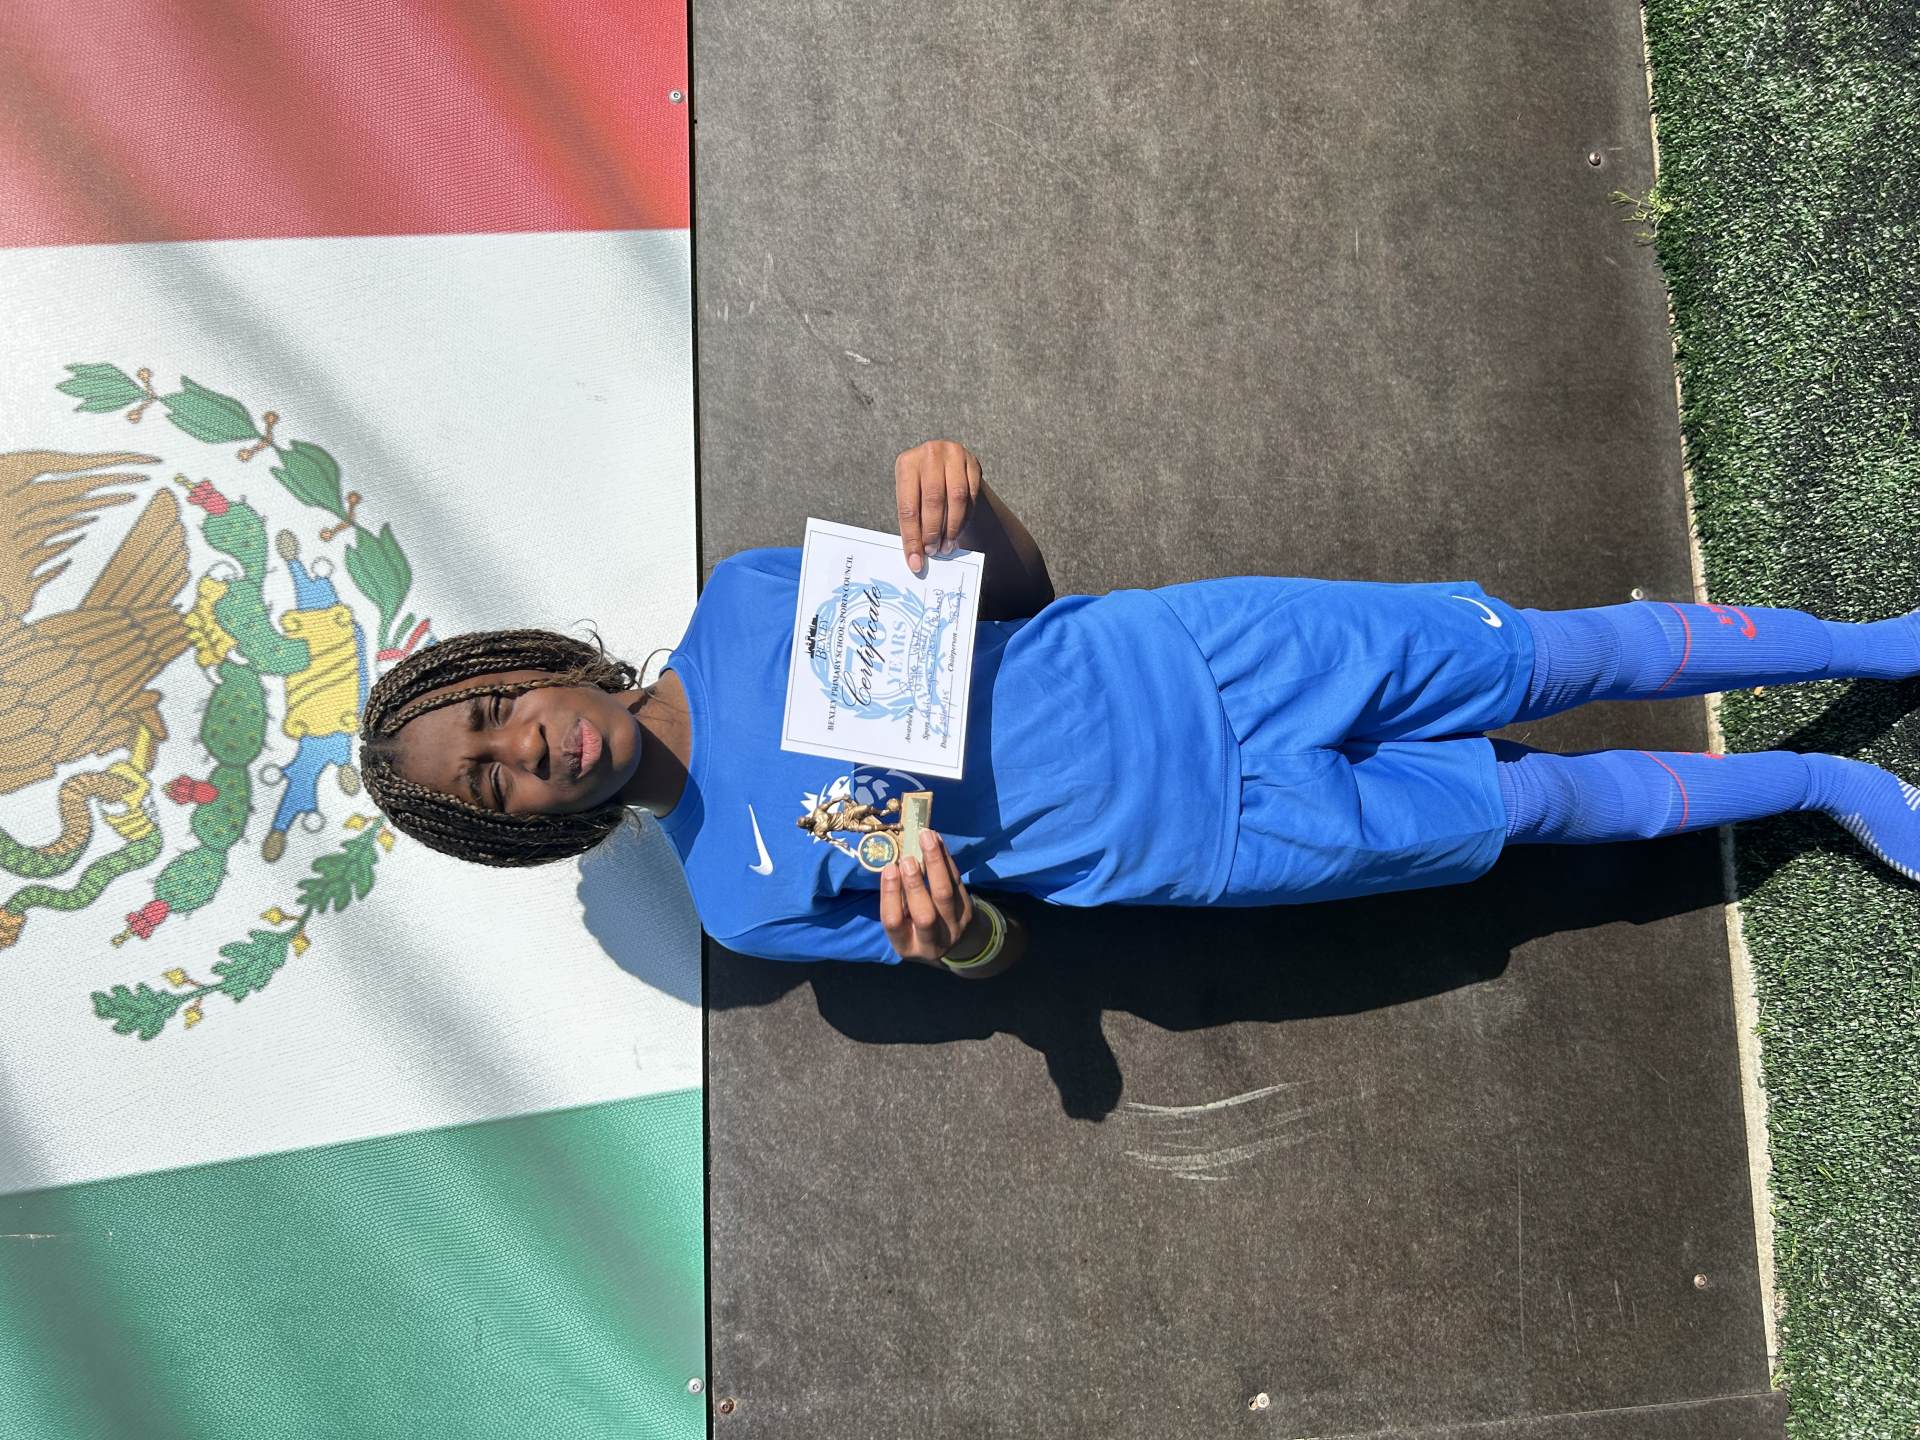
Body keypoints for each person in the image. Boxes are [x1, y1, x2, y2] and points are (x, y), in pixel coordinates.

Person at [357, 439, 1920, 979]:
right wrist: (951, 933)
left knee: (1556, 657)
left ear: (530, 660)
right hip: (1214, 838)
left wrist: (971, 508)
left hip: (1218, 657)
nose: (526, 747)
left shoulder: (749, 598)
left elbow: (1021, 596)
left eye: (494, 709)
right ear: (528, 831)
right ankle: (1822, 789)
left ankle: (1884, 641)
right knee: (1540, 803)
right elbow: (1002, 949)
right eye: (494, 785)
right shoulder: (739, 905)